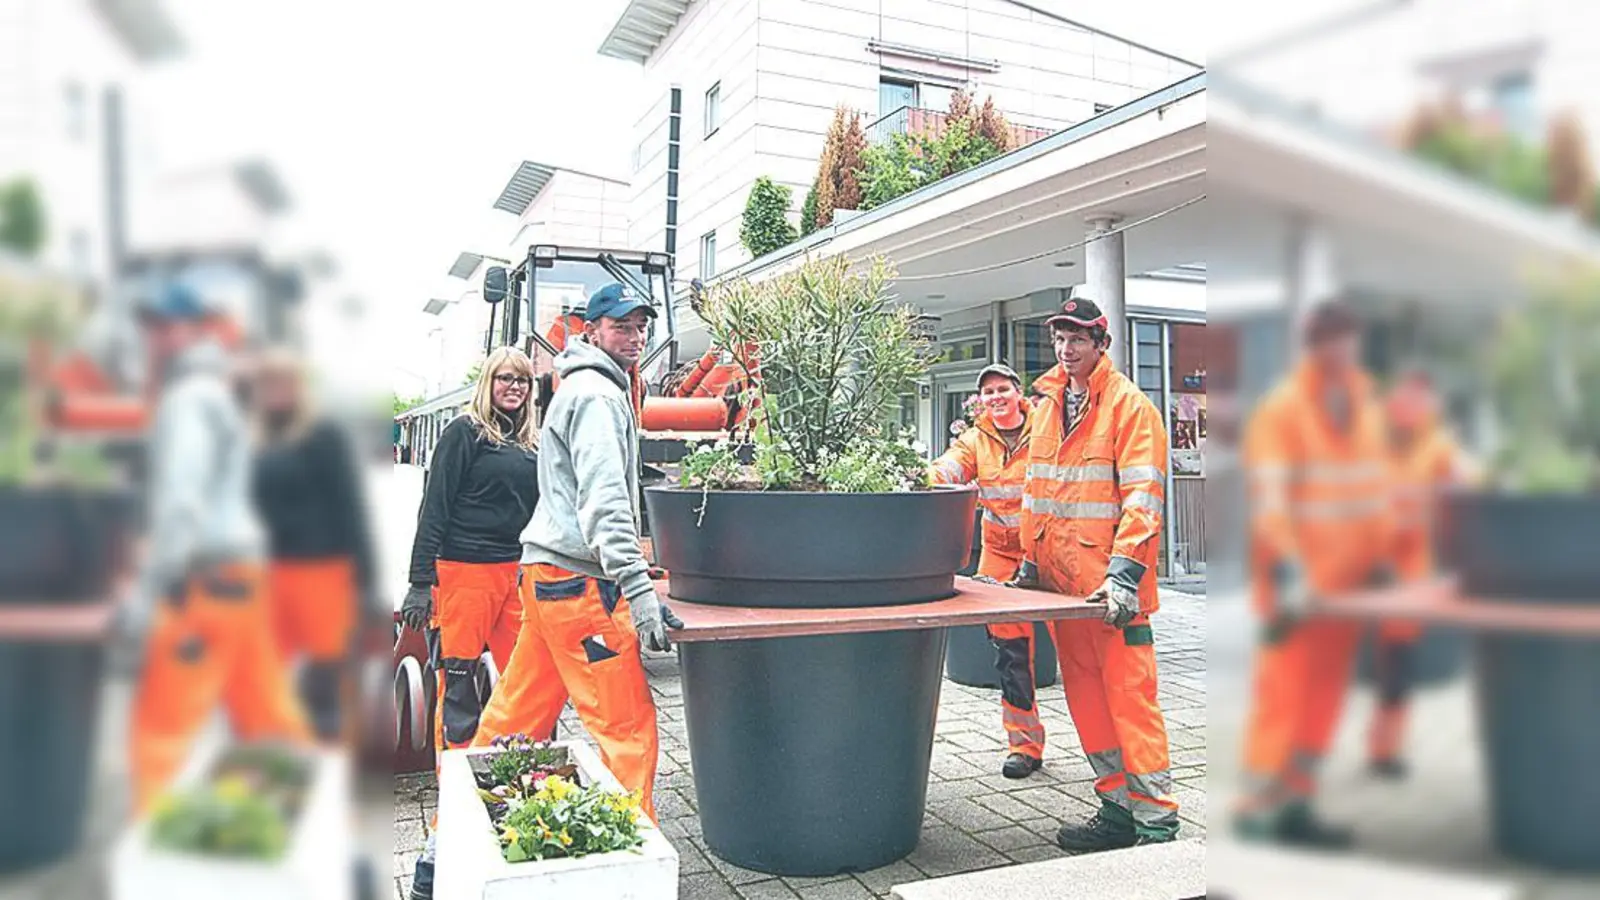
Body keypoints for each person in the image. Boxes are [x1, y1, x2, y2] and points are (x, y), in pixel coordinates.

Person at [468, 282, 681, 821]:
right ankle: (634, 860)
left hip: (546, 580)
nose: (634, 337)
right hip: (580, 590)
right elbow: (605, 505)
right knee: (625, 727)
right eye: (621, 327)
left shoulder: (583, 387)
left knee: (512, 722)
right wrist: (639, 592)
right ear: (592, 331)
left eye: (641, 327)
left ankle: (441, 850)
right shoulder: (597, 396)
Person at [112, 282, 311, 815]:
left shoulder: (188, 399)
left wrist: (157, 586)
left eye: (159, 327)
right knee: (267, 715)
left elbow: (182, 501)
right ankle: (299, 829)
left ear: (184, 330)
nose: (153, 338)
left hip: (201, 579)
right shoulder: (218, 392)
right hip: (243, 575)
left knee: (163, 729)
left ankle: (158, 854)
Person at [1008, 296, 1181, 851]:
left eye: (1079, 338)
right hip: (1065, 593)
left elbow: (1143, 499)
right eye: (1060, 338)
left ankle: (1156, 823)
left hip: (1112, 594)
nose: (1067, 348)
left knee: (1130, 700)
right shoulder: (1048, 406)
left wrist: (1125, 574)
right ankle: (1117, 809)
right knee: (1086, 699)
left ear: (1101, 345)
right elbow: (1039, 490)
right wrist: (1031, 563)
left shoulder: (1130, 408)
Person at [1234, 298, 1396, 846]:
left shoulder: (1365, 403)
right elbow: (1272, 500)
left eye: (1347, 340)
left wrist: (1382, 560)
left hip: (1348, 589)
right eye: (1330, 341)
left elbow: (1376, 490)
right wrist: (1290, 571)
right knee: (1284, 695)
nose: (1341, 350)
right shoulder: (1285, 408)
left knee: (1325, 698)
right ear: (1314, 346)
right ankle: (1260, 807)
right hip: (1296, 587)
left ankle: (1298, 803)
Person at [403, 346, 540, 900]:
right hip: (461, 573)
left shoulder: (530, 443)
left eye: (523, 380)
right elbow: (433, 504)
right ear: (489, 382)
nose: (514, 387)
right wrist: (419, 579)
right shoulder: (465, 432)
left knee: (524, 682)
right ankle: (457, 790)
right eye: (506, 378)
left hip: (515, 573)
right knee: (457, 686)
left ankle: (517, 779)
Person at [250, 347, 383, 744]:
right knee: (269, 676)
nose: (277, 391)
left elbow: (349, 504)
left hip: (324, 570)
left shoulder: (324, 436)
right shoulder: (257, 440)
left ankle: (327, 762)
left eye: (284, 381)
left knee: (326, 676)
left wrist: (366, 577)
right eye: (269, 382)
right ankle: (278, 758)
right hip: (272, 572)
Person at [929, 363, 1046, 780]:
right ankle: (1024, 745)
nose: (995, 397)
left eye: (1002, 389)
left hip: (1050, 550)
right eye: (988, 392)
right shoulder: (975, 440)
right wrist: (920, 478)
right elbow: (948, 468)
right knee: (1011, 654)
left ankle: (1106, 749)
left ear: (1019, 393)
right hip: (999, 554)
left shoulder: (1047, 428)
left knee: (1080, 647)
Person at [1366, 368, 1477, 777]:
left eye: (1419, 404)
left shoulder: (1436, 447)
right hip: (1366, 566)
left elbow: (1465, 491)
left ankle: (1384, 749)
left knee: (1397, 666)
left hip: (1406, 574)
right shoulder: (1374, 442)